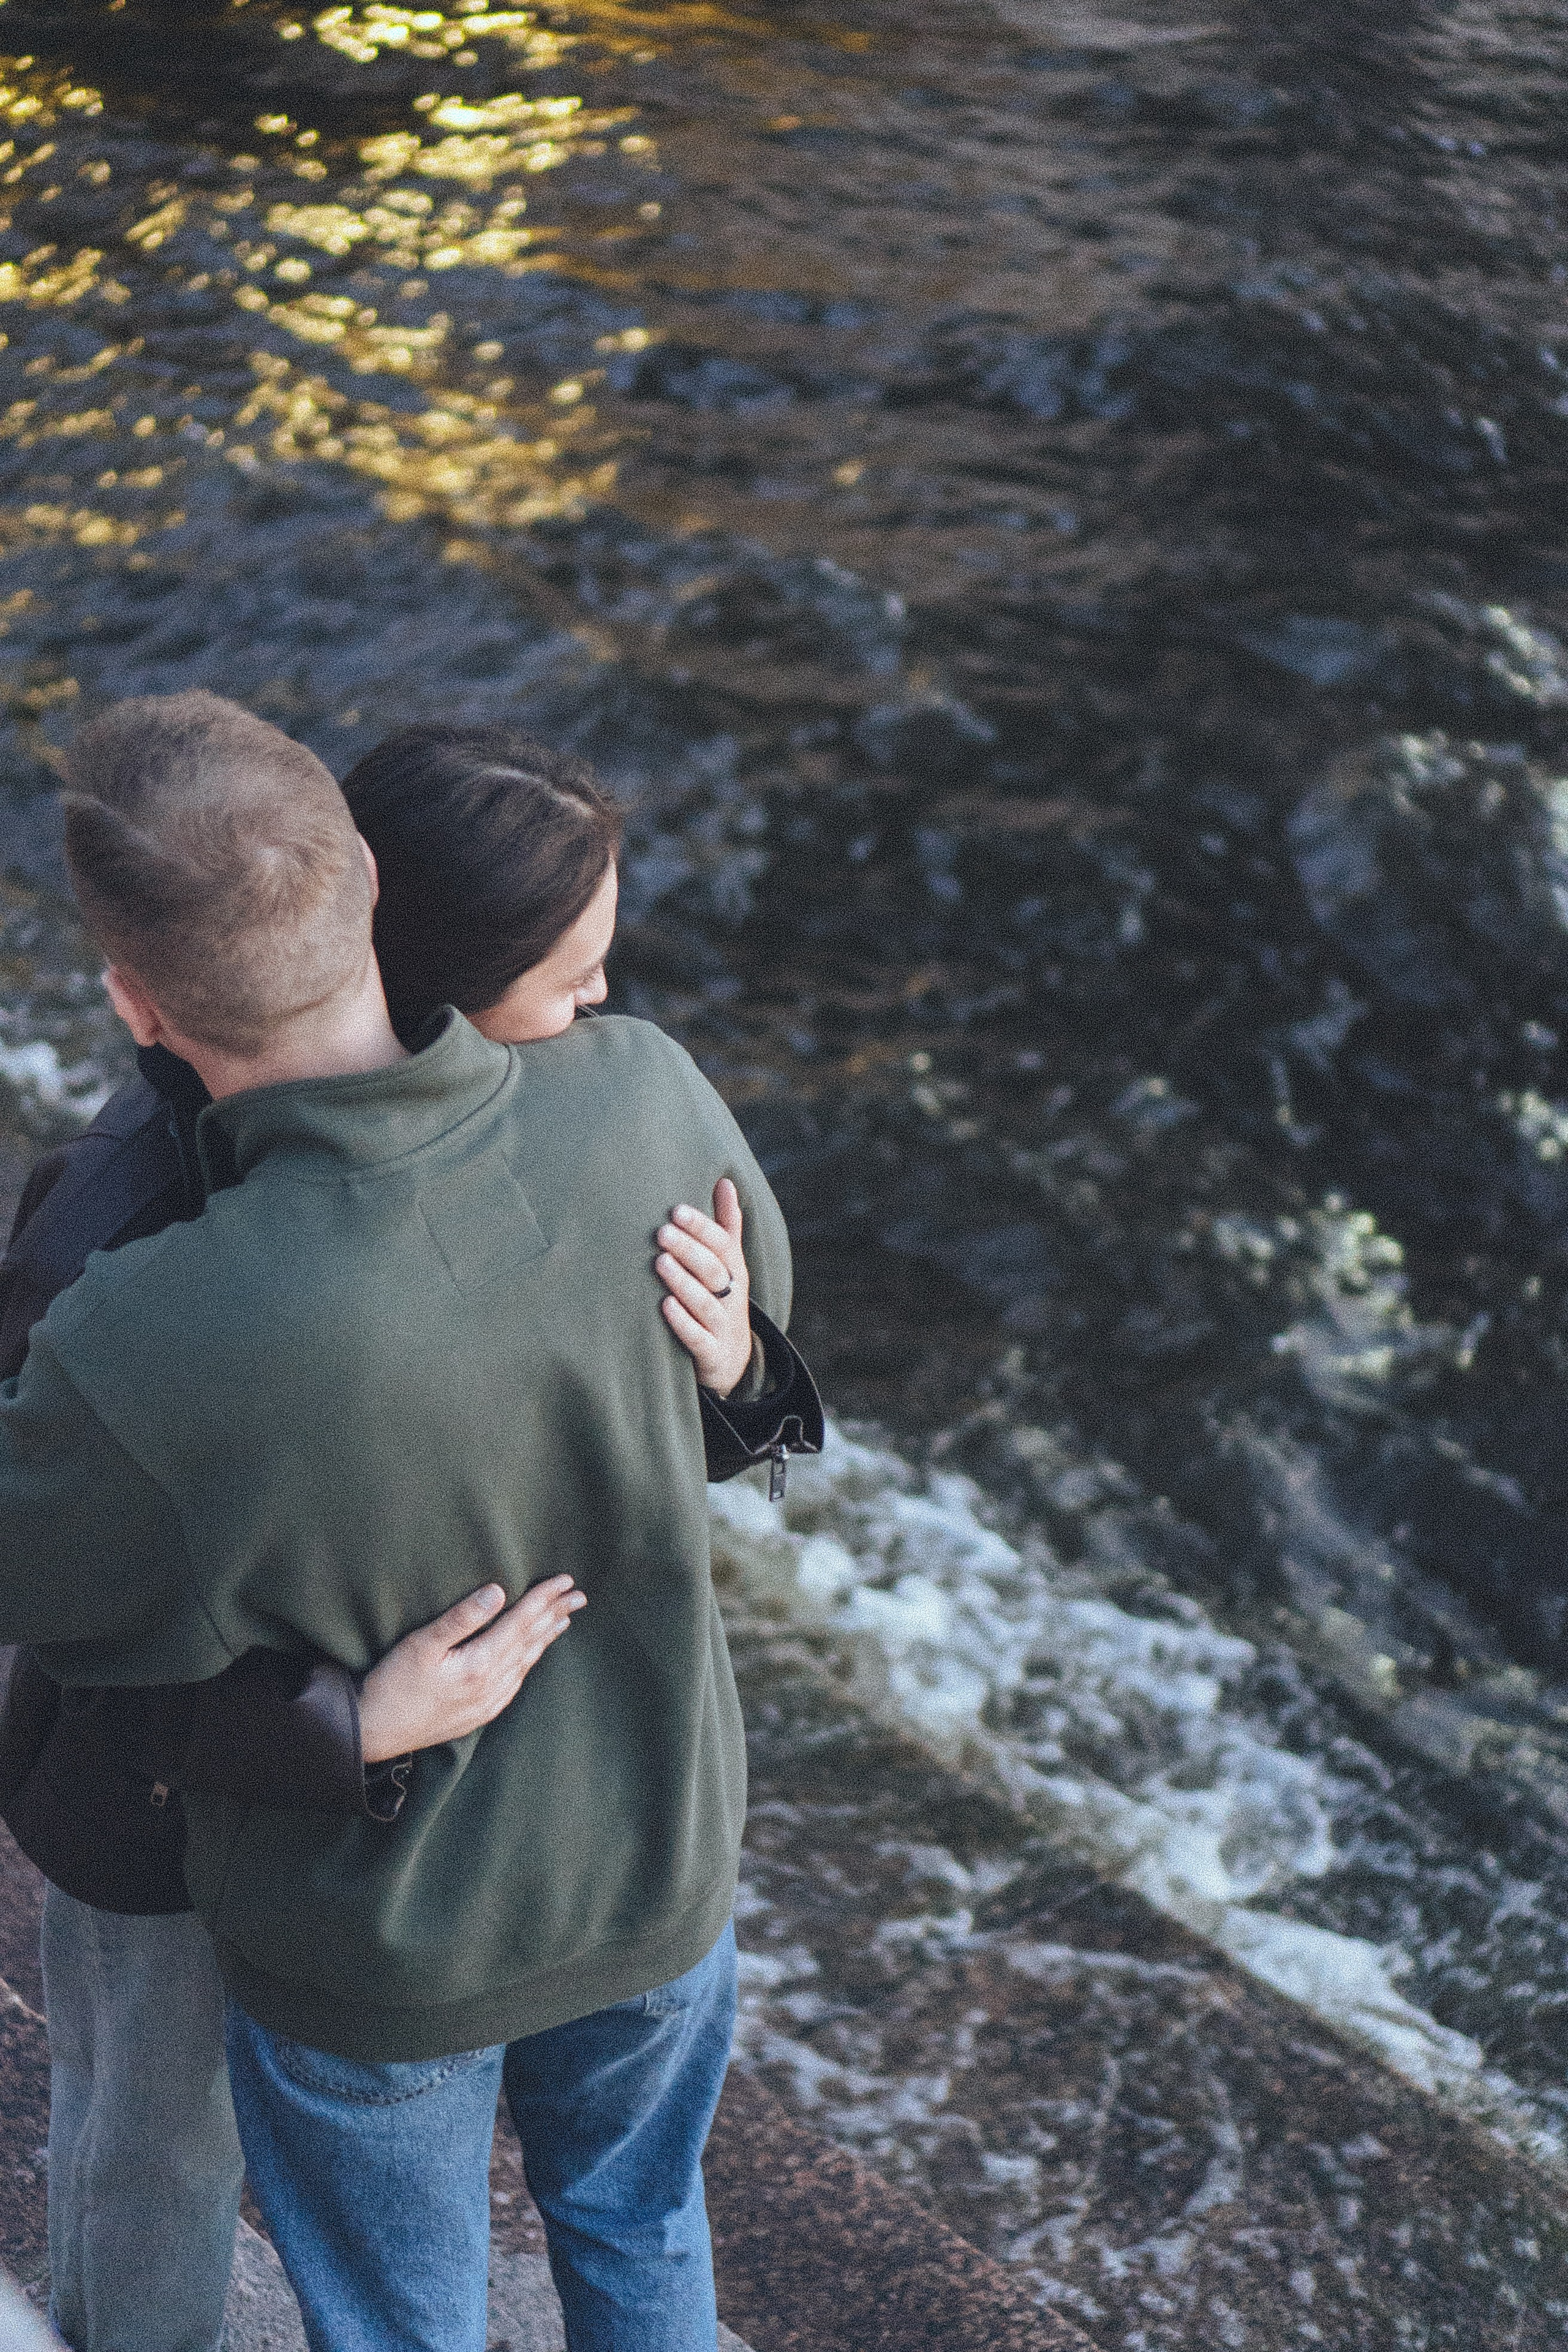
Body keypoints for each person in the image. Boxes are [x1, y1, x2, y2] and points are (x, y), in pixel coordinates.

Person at [0, 700, 818, 2352]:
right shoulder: (647, 1095)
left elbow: (63, 1602)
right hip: (658, 1858)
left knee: (397, 2314)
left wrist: (344, 1724)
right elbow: (724, 1375)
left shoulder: (144, 1327)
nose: (597, 995)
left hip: (386, 1935)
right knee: (643, 2228)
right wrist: (737, 1358)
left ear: (132, 1000)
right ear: (371, 886)